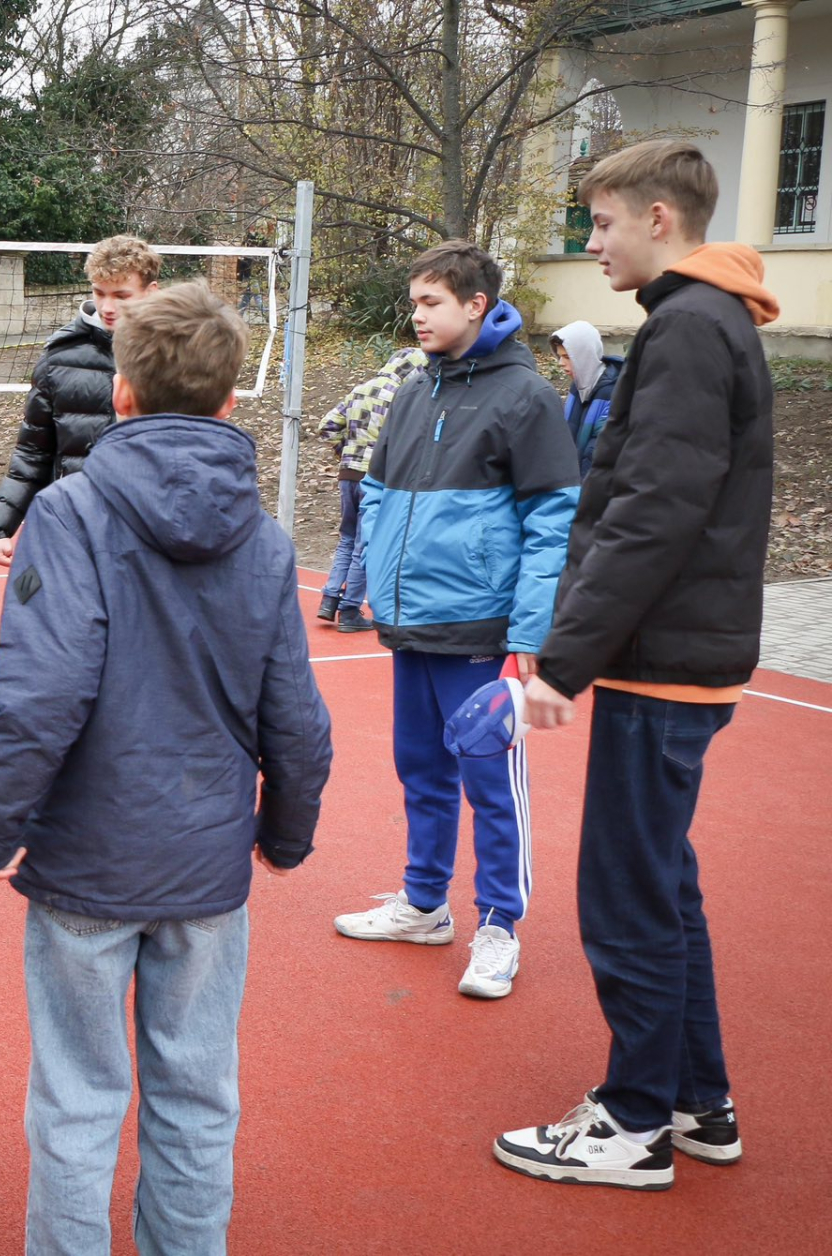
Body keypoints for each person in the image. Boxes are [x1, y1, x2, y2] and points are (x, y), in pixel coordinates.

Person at [0, 281, 332, 1256]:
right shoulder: (264, 538)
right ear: (228, 401)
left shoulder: (72, 513)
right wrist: (284, 831)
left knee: (80, 1095)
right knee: (198, 1089)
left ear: (121, 394)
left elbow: (41, 694)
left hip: (87, 858)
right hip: (207, 863)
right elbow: (297, 714)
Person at [495, 140, 774, 1190]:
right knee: (661, 880)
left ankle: (632, 1119)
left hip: (663, 661)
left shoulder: (693, 327)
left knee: (626, 891)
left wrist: (564, 663)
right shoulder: (699, 321)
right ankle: (698, 1099)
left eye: (603, 223)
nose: (593, 240)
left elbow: (654, 510)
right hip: (673, 652)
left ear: (662, 217)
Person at [331, 240, 580, 1001]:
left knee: (490, 782)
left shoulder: (526, 397)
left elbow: (553, 522)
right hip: (412, 624)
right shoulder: (413, 392)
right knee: (422, 771)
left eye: (431, 302)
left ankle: (499, 925)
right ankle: (423, 903)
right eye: (414, 302)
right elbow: (372, 489)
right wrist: (382, 569)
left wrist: (530, 634)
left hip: (483, 631)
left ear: (476, 304)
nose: (417, 316)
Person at [0, 235, 162, 567]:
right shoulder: (59, 358)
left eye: (122, 296)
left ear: (151, 292)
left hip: (150, 538)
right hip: (74, 530)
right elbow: (34, 449)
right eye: (99, 293)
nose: (108, 307)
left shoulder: (178, 357)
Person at [314, 347, 426, 632]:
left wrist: (345, 451)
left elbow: (326, 426)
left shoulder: (361, 388)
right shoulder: (401, 396)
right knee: (367, 541)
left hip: (347, 474)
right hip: (375, 478)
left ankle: (329, 598)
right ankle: (350, 609)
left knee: (347, 537)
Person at [549, 319, 624, 478]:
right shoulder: (577, 388)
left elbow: (600, 454)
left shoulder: (612, 393)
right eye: (559, 356)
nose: (561, 363)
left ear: (584, 355)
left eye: (567, 356)